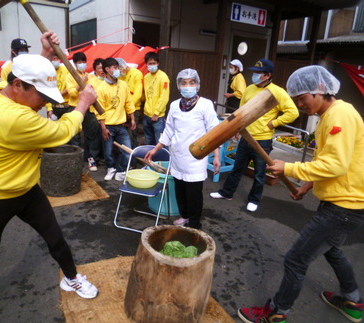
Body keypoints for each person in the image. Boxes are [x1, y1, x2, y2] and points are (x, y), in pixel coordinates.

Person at [0, 32, 99, 323]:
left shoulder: (2, 86)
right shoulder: (13, 119)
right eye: (41, 96)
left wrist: (44, 54)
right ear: (17, 86)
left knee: (56, 237)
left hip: (27, 190)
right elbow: (62, 133)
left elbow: (25, 73)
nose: (43, 103)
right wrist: (83, 104)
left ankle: (71, 277)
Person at [238, 65, 364, 323]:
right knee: (332, 250)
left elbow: (336, 165)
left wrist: (289, 167)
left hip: (345, 207)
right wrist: (307, 186)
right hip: (342, 202)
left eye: (302, 98)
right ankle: (353, 300)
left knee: (296, 259)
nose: (299, 104)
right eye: (295, 99)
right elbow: (329, 161)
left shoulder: (340, 116)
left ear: (320, 90)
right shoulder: (330, 115)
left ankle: (276, 313)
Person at [210, 58, 299, 212]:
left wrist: (274, 123)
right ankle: (226, 192)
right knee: (237, 168)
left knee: (259, 173)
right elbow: (241, 112)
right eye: (255, 72)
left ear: (268, 75)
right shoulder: (250, 89)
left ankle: (254, 200)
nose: (255, 75)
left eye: (259, 73)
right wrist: (237, 129)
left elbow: (293, 112)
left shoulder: (277, 92)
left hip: (263, 140)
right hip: (246, 137)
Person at [145, 68, 221, 230]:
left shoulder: (205, 105)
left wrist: (217, 156)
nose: (188, 86)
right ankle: (185, 216)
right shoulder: (174, 105)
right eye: (184, 83)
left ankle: (194, 224)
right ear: (179, 86)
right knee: (179, 188)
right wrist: (156, 149)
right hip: (177, 155)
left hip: (196, 157)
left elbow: (214, 132)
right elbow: (169, 130)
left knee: (193, 192)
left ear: (198, 85)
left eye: (191, 83)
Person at [95, 57, 136, 181]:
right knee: (108, 151)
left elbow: (129, 102)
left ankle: (121, 170)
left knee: (128, 151)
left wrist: (132, 118)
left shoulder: (123, 84)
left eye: (118, 67)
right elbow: (100, 110)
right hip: (108, 125)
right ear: (107, 69)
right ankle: (110, 168)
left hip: (122, 124)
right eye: (115, 68)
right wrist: (103, 128)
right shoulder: (101, 88)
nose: (118, 70)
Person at [66, 52, 102, 170]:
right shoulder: (70, 76)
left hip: (89, 108)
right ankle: (76, 161)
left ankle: (92, 160)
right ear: (75, 64)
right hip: (75, 108)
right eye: (79, 62)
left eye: (83, 62)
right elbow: (72, 93)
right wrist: (80, 82)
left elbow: (97, 90)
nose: (82, 64)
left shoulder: (91, 76)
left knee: (91, 135)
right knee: (75, 135)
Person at [142, 51, 170, 145]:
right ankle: (150, 159)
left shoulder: (163, 77)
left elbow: (164, 97)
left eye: (154, 63)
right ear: (146, 64)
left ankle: (163, 160)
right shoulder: (146, 77)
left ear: (158, 63)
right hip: (147, 114)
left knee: (160, 142)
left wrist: (157, 113)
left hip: (158, 116)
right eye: (150, 63)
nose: (152, 65)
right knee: (149, 141)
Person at [116, 57, 144, 149]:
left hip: (134, 110)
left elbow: (137, 95)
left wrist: (129, 110)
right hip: (122, 110)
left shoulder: (137, 74)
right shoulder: (120, 76)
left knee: (132, 135)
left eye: (119, 69)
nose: (119, 72)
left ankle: (133, 160)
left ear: (123, 66)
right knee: (122, 137)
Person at [46, 53, 72, 120]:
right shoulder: (48, 72)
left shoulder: (66, 70)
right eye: (54, 59)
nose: (56, 61)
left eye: (57, 59)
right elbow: (46, 92)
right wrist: (49, 109)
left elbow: (70, 87)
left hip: (67, 107)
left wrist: (59, 95)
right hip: (54, 108)